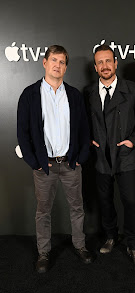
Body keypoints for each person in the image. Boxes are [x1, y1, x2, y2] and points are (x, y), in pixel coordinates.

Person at [17, 45, 94, 273]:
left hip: (70, 163)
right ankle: (44, 253)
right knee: (43, 211)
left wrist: (81, 156)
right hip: (44, 165)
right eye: (54, 60)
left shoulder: (74, 95)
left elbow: (83, 130)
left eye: (62, 62)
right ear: (44, 62)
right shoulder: (29, 94)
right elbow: (23, 133)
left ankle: (80, 246)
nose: (57, 65)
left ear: (65, 67)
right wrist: (34, 162)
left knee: (77, 208)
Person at [85, 44, 135, 269]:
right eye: (100, 62)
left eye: (108, 60)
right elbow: (83, 123)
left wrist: (133, 141)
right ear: (95, 67)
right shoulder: (89, 93)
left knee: (130, 202)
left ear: (115, 63)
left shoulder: (132, 89)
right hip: (101, 158)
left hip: (126, 156)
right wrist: (88, 139)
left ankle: (134, 245)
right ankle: (111, 236)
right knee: (105, 201)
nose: (105, 65)